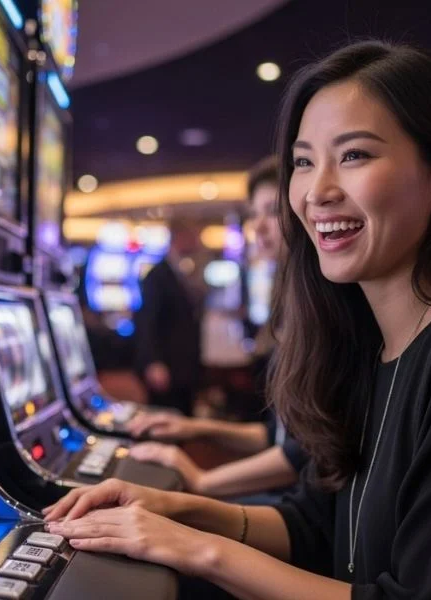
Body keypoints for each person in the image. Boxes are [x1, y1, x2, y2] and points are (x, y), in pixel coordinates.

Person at [41, 40, 431, 599]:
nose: (318, 192)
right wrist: (174, 508)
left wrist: (196, 548)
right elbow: (319, 526)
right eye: (304, 162)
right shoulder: (367, 343)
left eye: (354, 155)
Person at [126, 157, 309, 501]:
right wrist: (196, 427)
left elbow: (300, 455)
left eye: (272, 211)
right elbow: (281, 437)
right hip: (293, 497)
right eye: (254, 214)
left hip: (302, 508)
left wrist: (200, 482)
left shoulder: (319, 313)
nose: (259, 227)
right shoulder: (159, 274)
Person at [134, 218, 204, 416]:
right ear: (179, 238)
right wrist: (153, 362)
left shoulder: (183, 270)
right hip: (166, 366)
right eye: (193, 237)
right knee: (163, 423)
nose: (197, 242)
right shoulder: (157, 275)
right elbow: (147, 321)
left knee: (181, 420)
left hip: (184, 367)